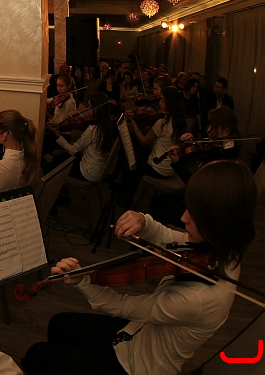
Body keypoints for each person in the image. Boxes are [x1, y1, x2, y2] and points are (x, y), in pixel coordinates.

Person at [22, 160, 257, 375]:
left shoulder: (200, 299)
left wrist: (84, 280)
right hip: (138, 330)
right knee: (59, 324)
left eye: (195, 214)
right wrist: (142, 221)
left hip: (138, 365)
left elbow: (121, 305)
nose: (184, 217)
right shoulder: (221, 247)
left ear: (218, 220)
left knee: (37, 356)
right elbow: (167, 236)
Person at [47, 93, 117, 182]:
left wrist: (56, 133)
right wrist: (80, 116)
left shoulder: (92, 130)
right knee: (57, 159)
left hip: (88, 172)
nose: (87, 109)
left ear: (97, 109)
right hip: (98, 168)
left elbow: (72, 150)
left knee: (53, 166)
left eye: (89, 107)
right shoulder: (106, 123)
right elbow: (89, 122)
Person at [127, 86, 187, 181]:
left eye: (162, 100)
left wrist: (132, 121)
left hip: (159, 168)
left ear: (169, 103)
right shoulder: (181, 121)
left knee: (132, 167)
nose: (159, 103)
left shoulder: (162, 123)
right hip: (173, 167)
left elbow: (143, 141)